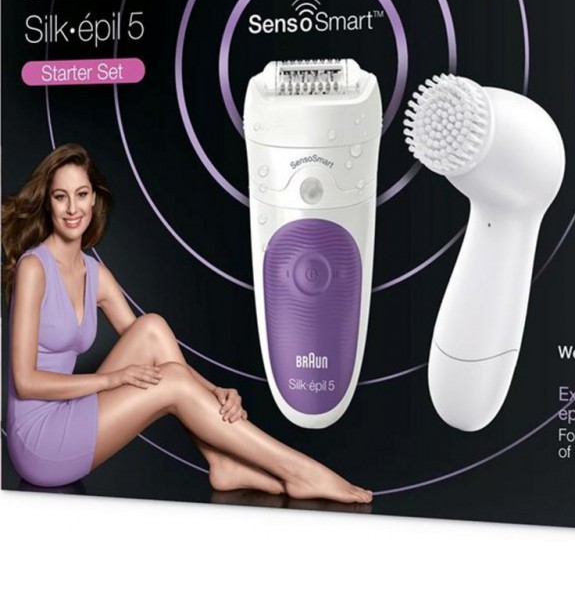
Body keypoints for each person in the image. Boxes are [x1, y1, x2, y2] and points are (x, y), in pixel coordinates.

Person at [2, 144, 372, 504]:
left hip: (71, 412)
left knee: (152, 327)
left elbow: (157, 353)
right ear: (48, 203)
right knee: (171, 380)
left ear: (94, 199)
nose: (72, 208)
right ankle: (299, 470)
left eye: (81, 194)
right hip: (38, 442)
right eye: (61, 197)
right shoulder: (34, 268)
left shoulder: (94, 273)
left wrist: (214, 391)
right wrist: (112, 380)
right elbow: (26, 381)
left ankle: (222, 462)